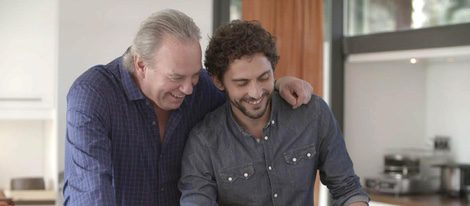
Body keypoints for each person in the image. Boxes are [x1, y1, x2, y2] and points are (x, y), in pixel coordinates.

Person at [63, 9, 313, 206]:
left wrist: (279, 84)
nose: (188, 89)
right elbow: (92, 191)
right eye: (176, 78)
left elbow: (246, 97)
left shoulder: (202, 88)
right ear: (141, 65)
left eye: (194, 75)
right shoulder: (93, 96)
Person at [179, 20, 370, 205]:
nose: (255, 93)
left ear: (274, 69)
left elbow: (347, 189)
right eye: (242, 83)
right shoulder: (203, 142)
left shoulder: (312, 113)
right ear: (219, 82)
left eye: (264, 77)